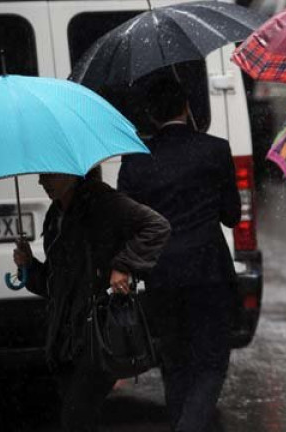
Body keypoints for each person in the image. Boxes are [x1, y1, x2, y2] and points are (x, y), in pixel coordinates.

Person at [117, 77, 240, 432]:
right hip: (208, 271)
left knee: (175, 362)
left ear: (151, 117)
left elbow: (128, 223)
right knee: (212, 362)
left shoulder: (136, 161)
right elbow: (231, 215)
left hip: (161, 275)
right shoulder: (214, 149)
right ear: (187, 108)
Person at [12, 168, 170, 432]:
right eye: (40, 175)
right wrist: (29, 266)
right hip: (65, 339)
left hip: (96, 333)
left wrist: (124, 265)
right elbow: (55, 284)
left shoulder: (103, 202)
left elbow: (156, 226)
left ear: (71, 173)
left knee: (75, 418)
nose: (41, 182)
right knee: (80, 418)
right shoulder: (55, 215)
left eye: (49, 175)